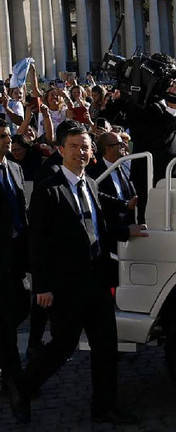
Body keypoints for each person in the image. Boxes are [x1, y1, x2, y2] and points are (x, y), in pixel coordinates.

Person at [10, 127, 147, 425]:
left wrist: (126, 231)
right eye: (73, 147)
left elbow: (95, 229)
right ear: (61, 149)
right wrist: (43, 287)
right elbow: (39, 242)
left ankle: (104, 407)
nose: (80, 152)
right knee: (63, 346)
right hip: (65, 285)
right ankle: (23, 384)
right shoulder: (49, 190)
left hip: (97, 280)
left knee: (106, 347)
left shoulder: (92, 186)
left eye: (84, 147)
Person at [0, 119, 29, 399]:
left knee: (22, 305)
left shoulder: (16, 169)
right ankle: (13, 378)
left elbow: (21, 208)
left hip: (18, 252)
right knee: (7, 318)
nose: (8, 140)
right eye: (2, 136)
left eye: (9, 135)